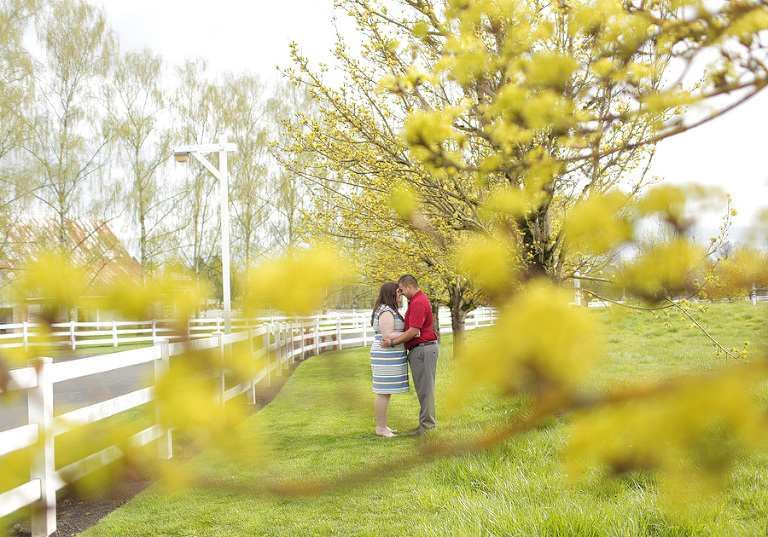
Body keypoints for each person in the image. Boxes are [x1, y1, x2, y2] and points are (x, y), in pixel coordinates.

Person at [381, 275, 438, 436]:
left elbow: (414, 331)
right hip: (420, 349)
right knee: (422, 389)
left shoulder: (418, 302)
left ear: (409, 287)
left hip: (423, 349)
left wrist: (393, 343)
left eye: (401, 290)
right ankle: (424, 424)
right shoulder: (416, 301)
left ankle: (427, 427)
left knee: (426, 389)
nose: (401, 293)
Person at [370, 282, 411, 437]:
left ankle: (383, 426)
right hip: (384, 355)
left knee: (385, 392)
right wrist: (411, 333)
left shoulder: (388, 309)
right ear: (390, 293)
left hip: (389, 354)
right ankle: (381, 428)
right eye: (398, 292)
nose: (400, 294)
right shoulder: (386, 311)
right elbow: (388, 334)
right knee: (383, 392)